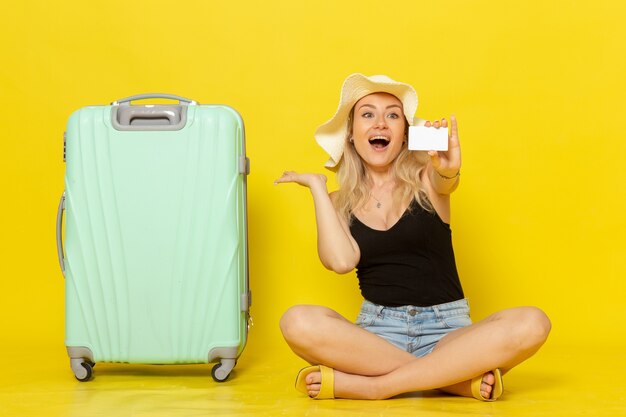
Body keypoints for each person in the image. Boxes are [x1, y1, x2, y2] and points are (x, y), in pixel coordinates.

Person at [274, 73, 551, 401]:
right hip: (376, 336)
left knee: (533, 322)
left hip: (448, 331)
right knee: (297, 321)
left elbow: (446, 179)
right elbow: (340, 262)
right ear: (350, 134)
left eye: (392, 115)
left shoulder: (427, 180)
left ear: (404, 134)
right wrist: (318, 189)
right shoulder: (337, 202)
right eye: (368, 114)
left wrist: (449, 167)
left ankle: (378, 386)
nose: (381, 123)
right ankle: (452, 379)